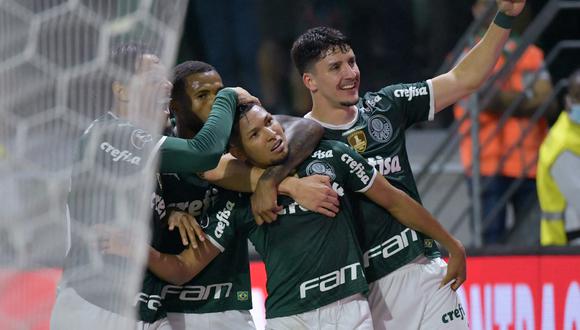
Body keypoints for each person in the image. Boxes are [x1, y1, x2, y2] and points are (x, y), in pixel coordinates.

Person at [286, 1, 525, 328]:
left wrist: (505, 16)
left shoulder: (385, 105)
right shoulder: (298, 140)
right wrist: (291, 185)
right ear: (310, 81)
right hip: (360, 293)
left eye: (352, 62)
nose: (350, 73)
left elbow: (463, 79)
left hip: (423, 270)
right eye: (335, 67)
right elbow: (232, 170)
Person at [127, 102, 465, 329]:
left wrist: (451, 243)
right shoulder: (241, 200)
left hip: (349, 310)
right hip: (289, 320)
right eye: (255, 135)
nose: (272, 134)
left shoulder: (333, 156)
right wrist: (139, 248)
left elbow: (395, 200)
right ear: (238, 153)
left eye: (270, 121)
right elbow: (184, 268)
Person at [50, 44, 256, 329]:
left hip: (145, 311)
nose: (167, 85)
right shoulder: (110, 133)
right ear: (121, 90)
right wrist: (228, 97)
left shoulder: (151, 158)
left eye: (166, 79)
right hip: (96, 306)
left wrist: (171, 210)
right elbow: (204, 153)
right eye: (153, 79)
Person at [137, 60, 337, 330]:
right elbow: (204, 166)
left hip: (230, 303)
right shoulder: (160, 146)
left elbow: (308, 128)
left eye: (219, 94)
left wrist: (272, 180)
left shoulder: (242, 136)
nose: (215, 103)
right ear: (176, 107)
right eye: (202, 96)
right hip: (166, 309)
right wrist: (168, 212)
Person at [454, 0, 554, 245]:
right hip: (487, 162)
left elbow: (549, 102)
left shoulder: (530, 52)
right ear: (475, 9)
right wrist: (528, 99)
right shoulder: (468, 54)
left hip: (529, 163)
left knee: (530, 246)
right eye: (486, 4)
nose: (493, 7)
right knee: (490, 246)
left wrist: (506, 100)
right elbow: (488, 99)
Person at [537, 68, 580, 246]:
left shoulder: (575, 132)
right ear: (568, 101)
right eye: (579, 96)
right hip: (564, 243)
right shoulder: (562, 144)